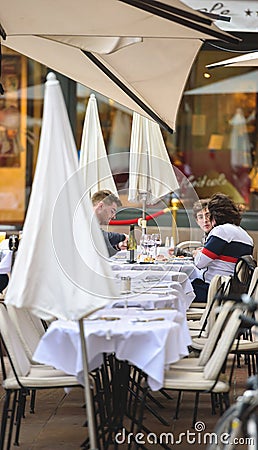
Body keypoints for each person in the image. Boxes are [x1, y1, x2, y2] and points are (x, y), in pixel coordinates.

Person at [192, 193, 254, 303]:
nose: (207, 219)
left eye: (209, 215)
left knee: (179, 287)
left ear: (215, 215)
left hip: (214, 290)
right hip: (232, 291)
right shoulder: (247, 237)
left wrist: (197, 254)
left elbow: (200, 263)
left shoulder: (221, 231)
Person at [91, 190, 128, 257]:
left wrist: (117, 247)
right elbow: (101, 236)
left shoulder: (92, 222)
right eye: (112, 211)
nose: (114, 217)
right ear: (101, 206)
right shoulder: (84, 219)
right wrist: (123, 237)